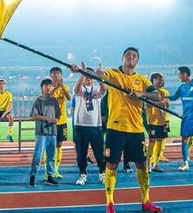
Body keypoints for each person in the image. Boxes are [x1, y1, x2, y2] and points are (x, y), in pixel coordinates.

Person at [88, 47, 164, 213]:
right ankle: (110, 204)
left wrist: (140, 93)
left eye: (134, 56)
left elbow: (157, 96)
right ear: (122, 58)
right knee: (111, 165)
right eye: (128, 55)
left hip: (136, 129)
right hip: (115, 128)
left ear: (137, 61)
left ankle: (146, 201)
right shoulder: (113, 74)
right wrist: (95, 73)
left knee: (142, 165)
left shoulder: (142, 80)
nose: (131, 57)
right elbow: (100, 75)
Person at [73, 64, 107, 185]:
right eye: (86, 76)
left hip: (95, 126)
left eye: (90, 76)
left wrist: (98, 76)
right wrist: (82, 72)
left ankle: (102, 173)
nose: (88, 78)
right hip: (80, 125)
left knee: (99, 152)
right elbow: (76, 88)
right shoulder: (79, 89)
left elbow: (104, 89)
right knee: (81, 153)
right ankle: (83, 174)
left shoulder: (96, 89)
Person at [28, 79, 61, 186]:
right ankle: (32, 177)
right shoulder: (38, 100)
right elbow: (34, 115)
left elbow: (58, 115)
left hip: (52, 131)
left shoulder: (54, 100)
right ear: (42, 88)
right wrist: (47, 119)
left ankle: (50, 176)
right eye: (46, 86)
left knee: (51, 155)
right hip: (41, 132)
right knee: (38, 155)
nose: (48, 88)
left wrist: (55, 120)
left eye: (50, 86)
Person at [50, 66, 71, 180]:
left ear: (61, 75)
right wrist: (56, 87)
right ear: (51, 75)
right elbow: (48, 97)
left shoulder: (65, 87)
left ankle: (56, 169)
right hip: (50, 120)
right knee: (50, 145)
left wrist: (61, 86)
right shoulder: (48, 86)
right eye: (54, 73)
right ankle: (49, 169)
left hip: (62, 121)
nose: (56, 75)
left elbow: (68, 97)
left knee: (59, 145)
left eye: (58, 73)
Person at [147, 73, 171, 172]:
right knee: (152, 142)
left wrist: (165, 107)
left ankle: (156, 164)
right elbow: (148, 104)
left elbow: (167, 106)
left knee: (160, 142)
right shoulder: (149, 92)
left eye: (162, 79)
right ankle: (148, 164)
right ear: (153, 80)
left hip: (163, 121)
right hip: (153, 121)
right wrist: (161, 103)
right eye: (159, 79)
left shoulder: (165, 92)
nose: (161, 81)